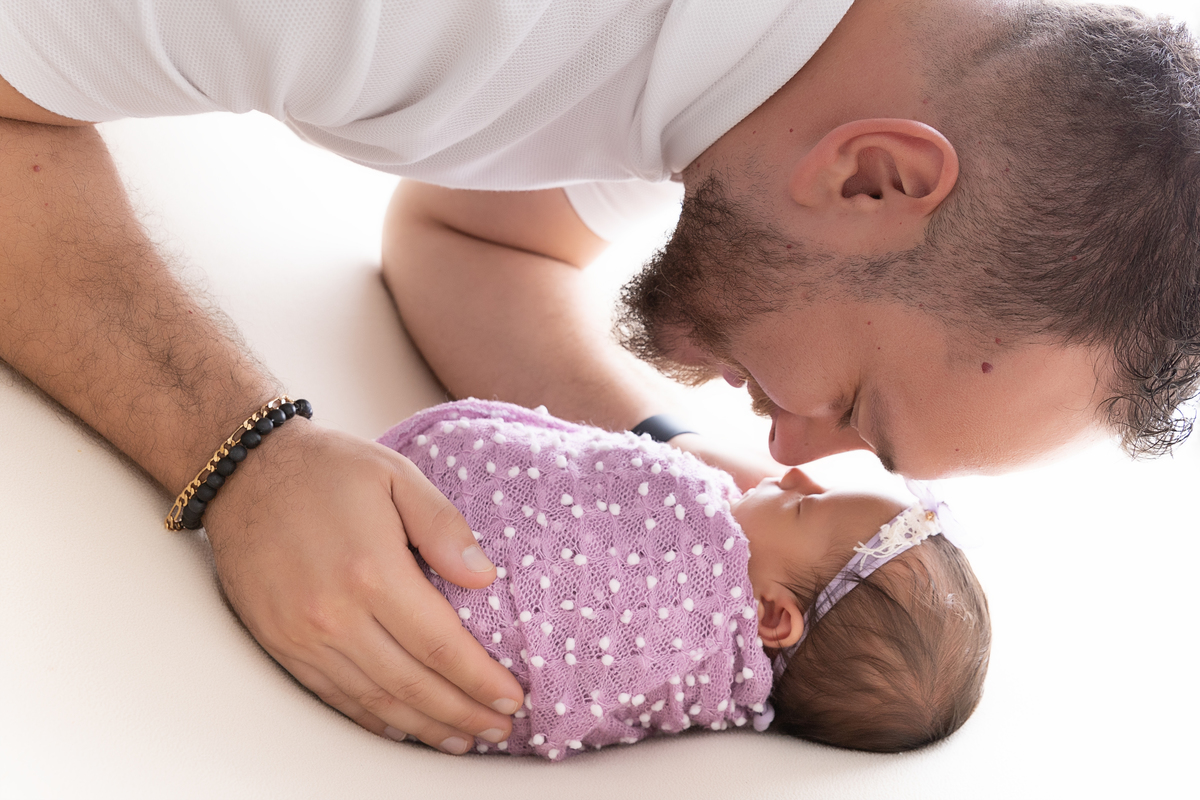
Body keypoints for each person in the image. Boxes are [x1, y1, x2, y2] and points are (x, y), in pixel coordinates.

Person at [0, 0, 1193, 755]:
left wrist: (662, 452)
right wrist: (244, 449)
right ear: (875, 179)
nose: (787, 449)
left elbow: (476, 243)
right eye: (856, 407)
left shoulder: (763, 94)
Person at [378, 399, 989, 757]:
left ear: (773, 616)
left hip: (416, 521)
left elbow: (595, 484)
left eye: (806, 506)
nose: (797, 477)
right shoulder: (691, 702)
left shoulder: (687, 534)